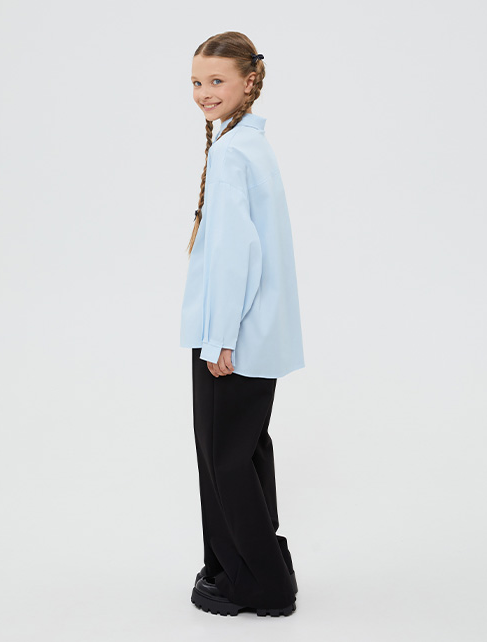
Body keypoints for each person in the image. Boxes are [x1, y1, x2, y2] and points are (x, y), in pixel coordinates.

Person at [180, 31, 305, 617]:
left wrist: (219, 338)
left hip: (232, 337)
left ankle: (255, 584)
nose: (204, 92)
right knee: (246, 452)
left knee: (223, 459)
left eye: (216, 81)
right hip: (258, 334)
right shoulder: (251, 143)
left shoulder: (232, 153)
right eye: (196, 82)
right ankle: (252, 567)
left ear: (249, 81)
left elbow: (235, 256)